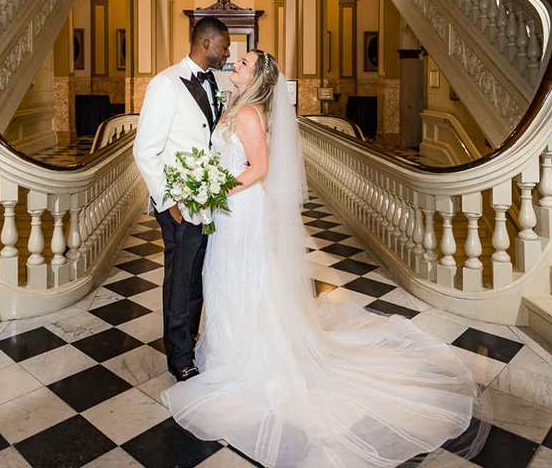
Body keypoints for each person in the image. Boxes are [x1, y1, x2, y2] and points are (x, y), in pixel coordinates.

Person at [161, 50, 485, 467]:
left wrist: (213, 190)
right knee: (227, 278)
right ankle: (224, 349)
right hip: (230, 211)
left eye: (243, 62)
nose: (235, 64)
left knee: (241, 278)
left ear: (257, 76)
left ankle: (246, 357)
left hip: (238, 209)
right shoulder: (238, 106)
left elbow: (258, 168)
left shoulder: (247, 114)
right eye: (237, 60)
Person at [132, 17, 232, 382]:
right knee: (179, 283)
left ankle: (190, 341)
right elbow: (145, 150)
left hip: (205, 202)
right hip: (178, 204)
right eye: (224, 46)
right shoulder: (165, 84)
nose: (227, 53)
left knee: (196, 279)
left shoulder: (213, 83)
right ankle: (178, 357)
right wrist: (167, 202)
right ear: (206, 43)